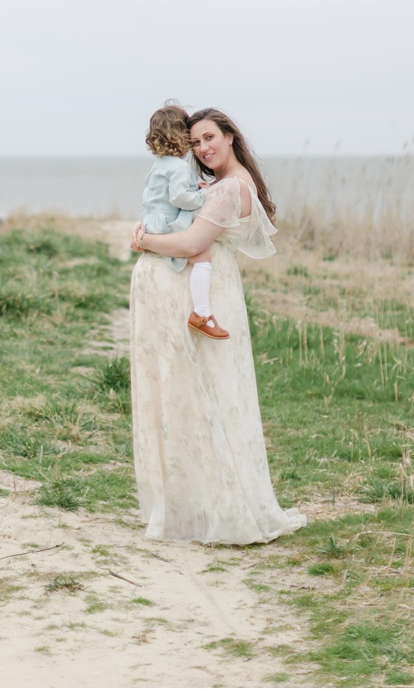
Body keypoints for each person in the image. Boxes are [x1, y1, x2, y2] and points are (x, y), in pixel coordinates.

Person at [126, 107, 305, 544]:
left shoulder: (229, 189)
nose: (202, 148)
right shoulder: (223, 184)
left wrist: (144, 240)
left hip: (200, 295)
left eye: (209, 138)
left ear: (230, 136)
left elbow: (191, 243)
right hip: (198, 290)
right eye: (195, 142)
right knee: (196, 394)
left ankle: (219, 506)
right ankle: (196, 503)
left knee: (207, 395)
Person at [138, 102, 222, 337]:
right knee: (202, 256)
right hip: (167, 224)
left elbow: (156, 195)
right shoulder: (180, 168)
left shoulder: (158, 165)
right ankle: (202, 313)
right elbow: (178, 197)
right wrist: (203, 194)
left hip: (152, 220)